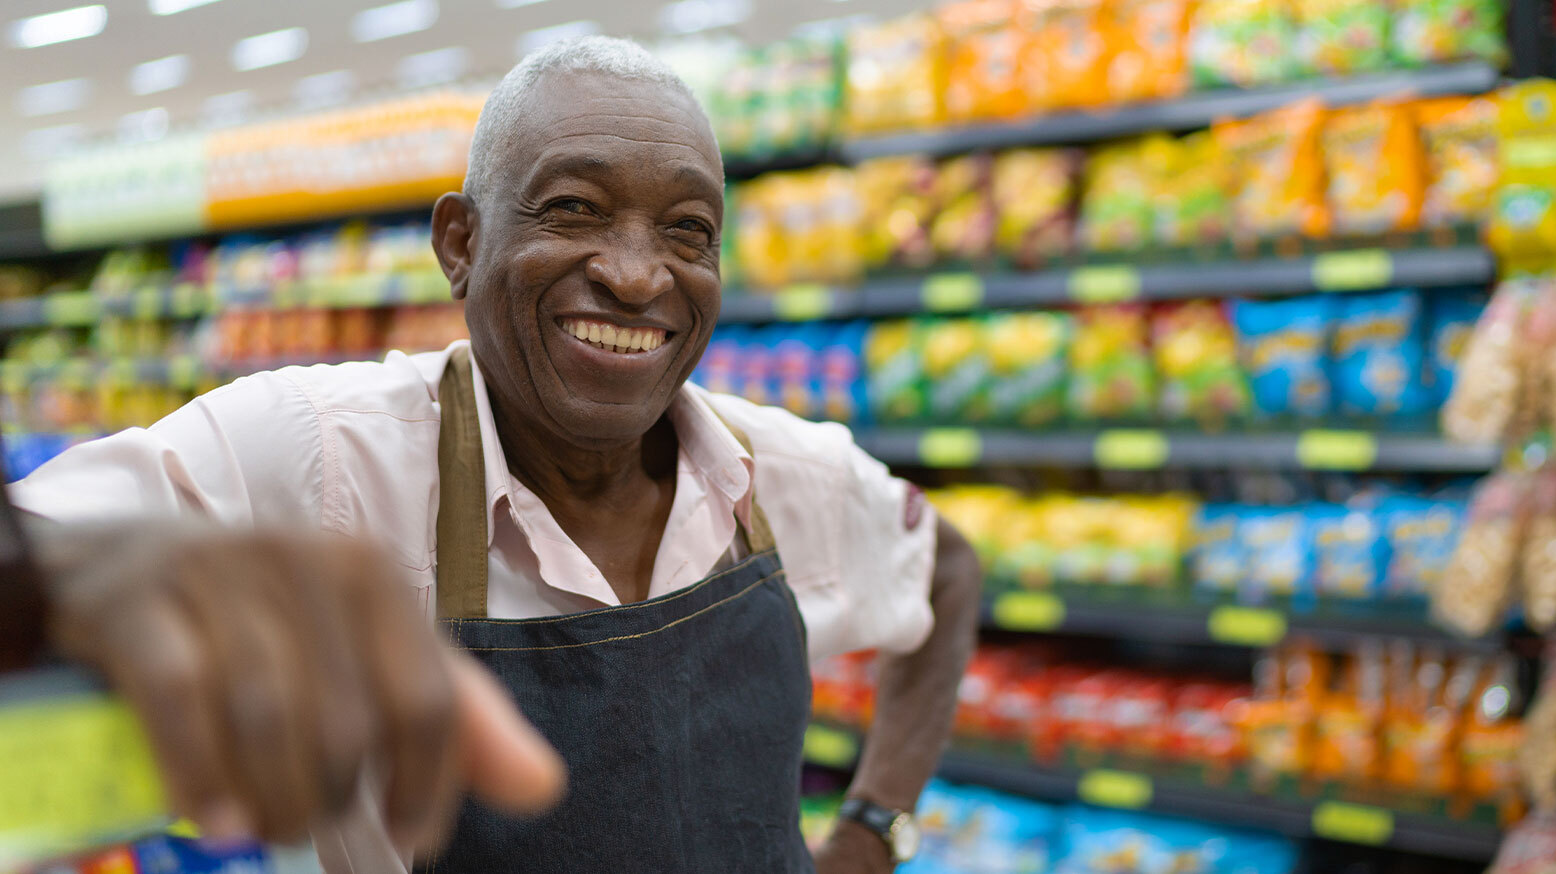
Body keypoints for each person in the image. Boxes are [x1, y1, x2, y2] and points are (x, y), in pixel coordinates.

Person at [15, 35, 982, 874]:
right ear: (460, 244)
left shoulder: (779, 471)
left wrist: (872, 828)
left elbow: (946, 568)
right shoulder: (320, 455)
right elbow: (37, 550)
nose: (638, 273)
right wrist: (68, 584)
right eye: (573, 208)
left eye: (688, 229)